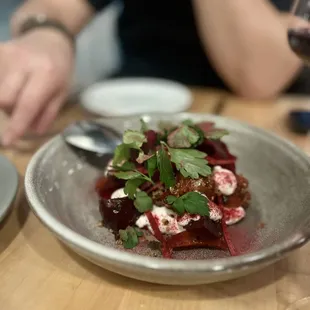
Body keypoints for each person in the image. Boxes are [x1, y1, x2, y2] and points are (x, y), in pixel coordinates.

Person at [0, 0, 302, 146]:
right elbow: (52, 6)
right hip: (127, 111)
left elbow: (262, 77)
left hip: (254, 118)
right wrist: (47, 33)